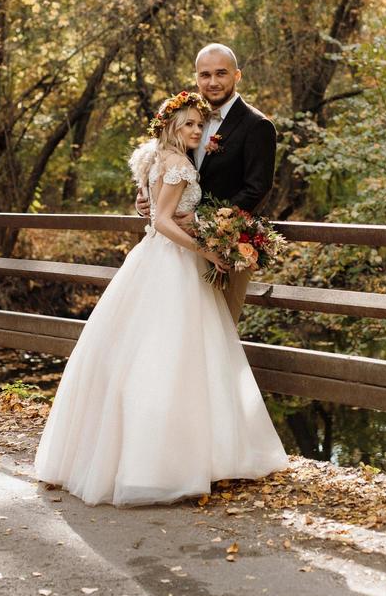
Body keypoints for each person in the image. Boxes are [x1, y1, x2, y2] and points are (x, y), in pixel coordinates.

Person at [35, 91, 288, 507]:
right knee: (170, 356)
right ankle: (166, 462)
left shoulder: (162, 159)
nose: (195, 130)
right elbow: (162, 220)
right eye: (188, 125)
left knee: (169, 356)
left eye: (198, 125)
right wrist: (206, 249)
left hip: (158, 260)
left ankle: (182, 454)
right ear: (170, 126)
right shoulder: (175, 164)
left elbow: (159, 210)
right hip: (174, 262)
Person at [136, 43, 276, 324]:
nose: (212, 82)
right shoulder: (189, 120)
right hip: (178, 252)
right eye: (205, 75)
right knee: (174, 328)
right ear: (196, 77)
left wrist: (203, 220)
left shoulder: (256, 125)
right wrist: (148, 200)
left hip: (226, 246)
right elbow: (168, 167)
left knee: (218, 333)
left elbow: (256, 189)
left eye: (221, 73)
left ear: (237, 76)